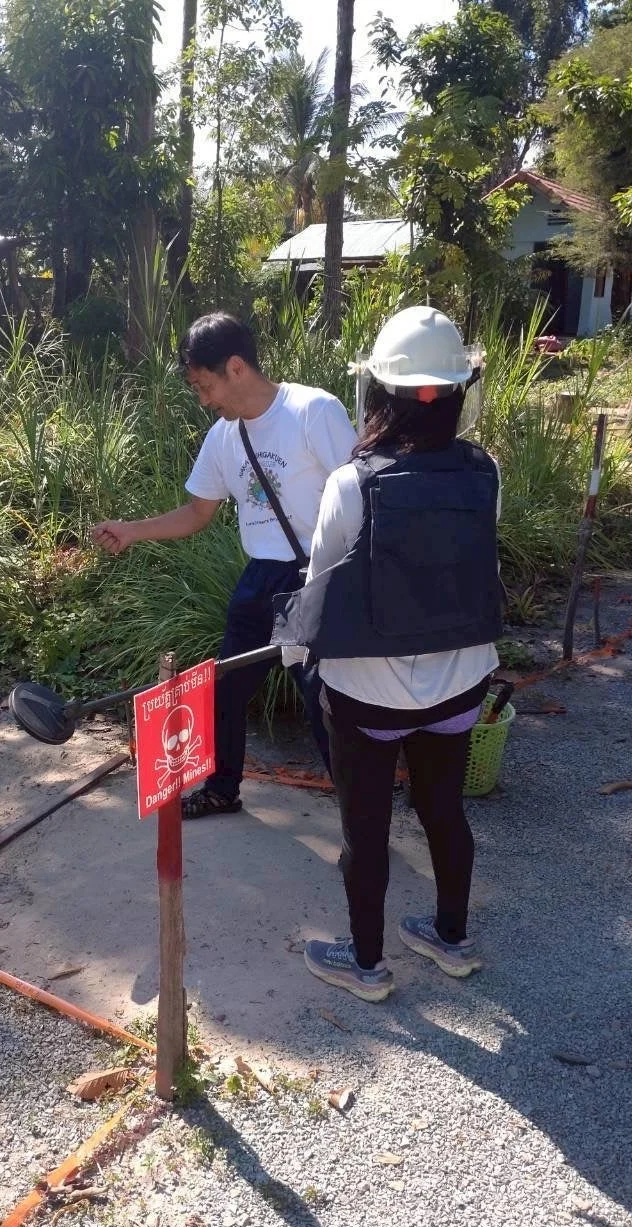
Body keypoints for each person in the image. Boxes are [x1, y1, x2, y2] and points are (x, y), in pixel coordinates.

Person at [273, 305, 503, 1001]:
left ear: (376, 393)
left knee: (365, 829)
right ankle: (452, 939)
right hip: (461, 683)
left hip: (365, 695)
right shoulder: (484, 471)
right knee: (443, 810)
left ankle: (367, 965)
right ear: (458, 392)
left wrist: (289, 653)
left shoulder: (355, 483)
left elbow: (320, 586)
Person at [90, 311, 357, 819]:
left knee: (326, 704)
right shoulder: (223, 437)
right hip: (261, 578)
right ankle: (222, 788)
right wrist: (131, 530)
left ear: (236, 367)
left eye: (204, 385)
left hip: (318, 577)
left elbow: (359, 493)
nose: (204, 400)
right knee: (223, 689)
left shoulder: (312, 411)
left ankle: (357, 815)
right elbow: (197, 513)